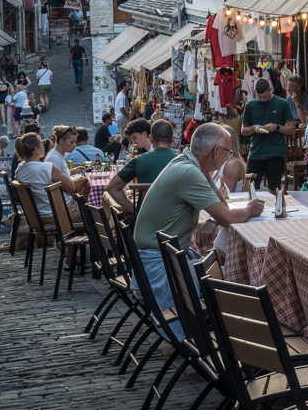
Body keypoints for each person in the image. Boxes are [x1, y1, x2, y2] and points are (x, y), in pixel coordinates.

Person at [132, 123, 264, 314]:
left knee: (218, 277)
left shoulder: (189, 164)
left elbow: (223, 207)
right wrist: (250, 209)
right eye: (227, 152)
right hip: (159, 264)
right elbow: (227, 218)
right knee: (229, 290)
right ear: (216, 151)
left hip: (158, 257)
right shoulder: (189, 172)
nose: (229, 157)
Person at [13, 132, 85, 225]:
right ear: (36, 150)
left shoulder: (19, 170)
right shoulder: (47, 167)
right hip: (60, 212)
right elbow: (72, 187)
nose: (44, 145)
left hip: (38, 216)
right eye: (42, 143)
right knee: (94, 210)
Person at [106, 119, 175, 214]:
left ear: (147, 136)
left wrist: (136, 211)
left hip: (147, 215)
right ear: (173, 139)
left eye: (134, 138)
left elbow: (111, 187)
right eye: (131, 140)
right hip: (174, 216)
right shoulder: (183, 160)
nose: (133, 142)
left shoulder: (140, 159)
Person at [240, 76, 296, 191]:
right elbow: (243, 131)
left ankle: (276, 208)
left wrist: (277, 127)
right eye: (259, 97)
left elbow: (292, 129)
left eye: (265, 96)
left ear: (270, 89)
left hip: (275, 153)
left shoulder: (282, 103)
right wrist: (254, 128)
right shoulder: (250, 105)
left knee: (274, 189)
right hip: (256, 153)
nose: (262, 99)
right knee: (250, 189)